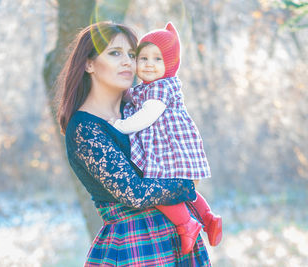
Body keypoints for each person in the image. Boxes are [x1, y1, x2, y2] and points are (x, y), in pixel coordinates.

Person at [56, 21, 211, 266]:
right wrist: (186, 185)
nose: (128, 61)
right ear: (89, 64)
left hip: (176, 240)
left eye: (132, 54)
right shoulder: (85, 128)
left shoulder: (139, 112)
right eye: (115, 53)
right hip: (136, 245)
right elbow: (134, 193)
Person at [112, 22, 222, 254]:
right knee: (184, 190)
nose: (149, 64)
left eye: (158, 59)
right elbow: (132, 99)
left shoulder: (161, 89)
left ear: (170, 64)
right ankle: (208, 218)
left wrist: (119, 126)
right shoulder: (148, 87)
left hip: (169, 149)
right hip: (171, 148)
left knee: (159, 191)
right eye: (144, 59)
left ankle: (187, 225)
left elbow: (145, 117)